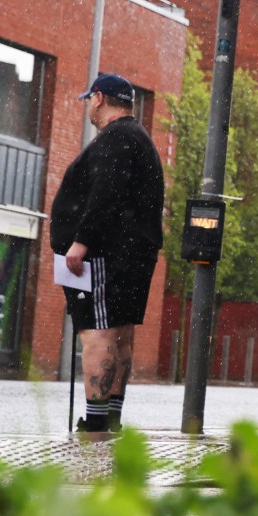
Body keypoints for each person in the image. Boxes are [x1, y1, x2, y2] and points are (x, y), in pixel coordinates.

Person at [49, 73, 165, 435]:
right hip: (133, 254)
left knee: (96, 333)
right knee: (119, 334)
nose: (88, 107)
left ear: (98, 99)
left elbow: (105, 192)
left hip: (104, 256)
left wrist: (81, 240)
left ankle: (96, 423)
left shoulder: (115, 139)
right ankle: (111, 418)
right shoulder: (140, 139)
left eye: (90, 100)